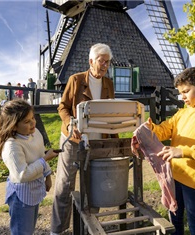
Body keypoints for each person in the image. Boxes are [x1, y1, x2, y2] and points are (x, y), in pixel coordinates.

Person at [131, 67, 195, 235]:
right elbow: (162, 130)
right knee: (174, 218)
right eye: (180, 93)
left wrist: (182, 151)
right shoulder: (181, 114)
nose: (182, 97)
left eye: (186, 91)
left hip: (194, 180)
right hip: (174, 175)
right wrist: (147, 131)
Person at [51, 43, 117, 235]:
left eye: (107, 62)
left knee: (93, 185)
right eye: (101, 60)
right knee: (64, 184)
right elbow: (62, 107)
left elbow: (111, 113)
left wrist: (114, 140)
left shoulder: (109, 84)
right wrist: (70, 123)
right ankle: (58, 230)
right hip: (73, 139)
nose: (104, 65)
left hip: (97, 141)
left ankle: (89, 228)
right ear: (90, 61)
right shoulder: (76, 80)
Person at [0, 99, 59, 235]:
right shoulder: (12, 146)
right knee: (22, 231)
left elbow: (39, 154)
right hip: (21, 196)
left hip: (34, 189)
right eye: (27, 122)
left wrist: (47, 176)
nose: (33, 123)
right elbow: (22, 175)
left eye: (33, 118)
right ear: (13, 126)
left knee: (29, 229)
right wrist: (46, 159)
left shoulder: (35, 133)